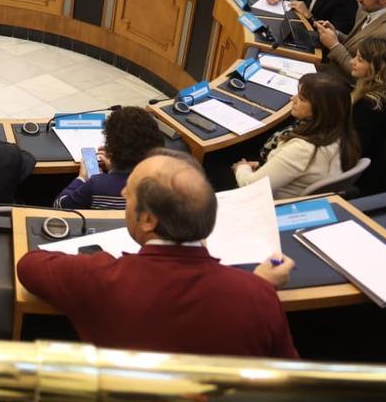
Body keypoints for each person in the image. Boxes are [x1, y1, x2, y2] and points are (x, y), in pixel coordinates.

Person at [17, 149, 298, 358]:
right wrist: (258, 286)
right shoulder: (258, 294)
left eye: (129, 196)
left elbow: (29, 265)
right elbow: (289, 379)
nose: (125, 195)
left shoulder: (100, 277)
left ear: (149, 220)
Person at [234, 73, 359, 199]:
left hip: (267, 203)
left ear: (321, 109)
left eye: (302, 99)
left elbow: (251, 186)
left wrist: (241, 168)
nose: (292, 99)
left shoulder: (303, 149)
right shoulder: (340, 134)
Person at [54, 107, 166, 210]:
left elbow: (60, 206)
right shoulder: (164, 183)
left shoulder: (96, 184)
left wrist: (82, 178)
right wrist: (114, 167)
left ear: (111, 149)